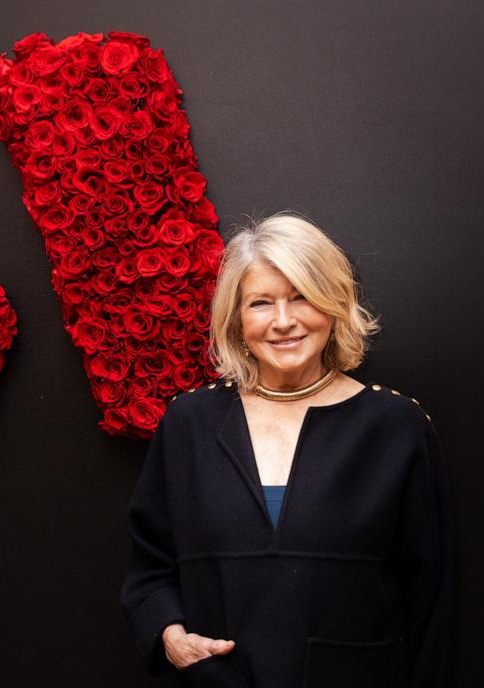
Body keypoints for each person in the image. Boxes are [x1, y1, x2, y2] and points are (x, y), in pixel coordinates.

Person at [119, 212, 453, 687]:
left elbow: (431, 599)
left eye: (301, 297)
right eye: (260, 302)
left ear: (334, 303)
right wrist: (171, 637)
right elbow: (149, 570)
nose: (282, 321)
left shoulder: (398, 426)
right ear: (236, 318)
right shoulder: (187, 423)